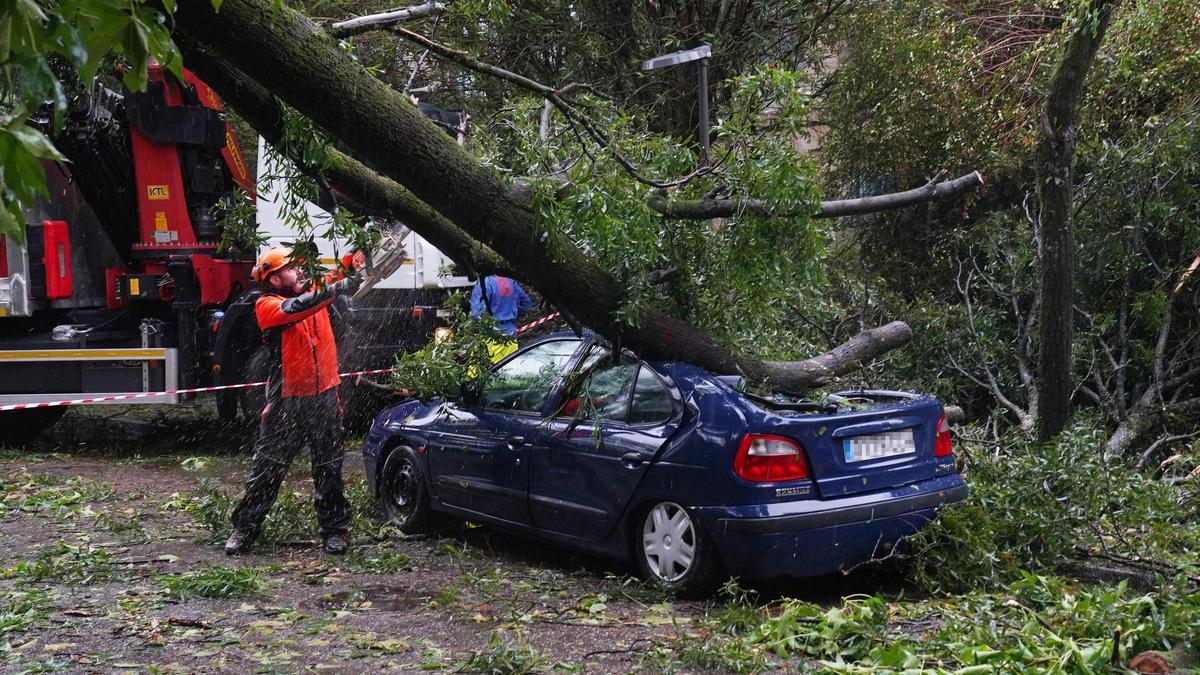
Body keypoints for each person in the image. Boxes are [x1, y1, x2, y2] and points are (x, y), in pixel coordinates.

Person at [225, 247, 365, 556]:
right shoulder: (267, 305)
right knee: (267, 470)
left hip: (325, 396)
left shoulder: (313, 288)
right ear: (275, 279)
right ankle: (245, 528)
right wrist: (336, 289)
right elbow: (303, 305)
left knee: (330, 468)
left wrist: (350, 262)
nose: (300, 270)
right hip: (286, 403)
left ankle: (334, 530)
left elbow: (332, 280)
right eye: (292, 268)